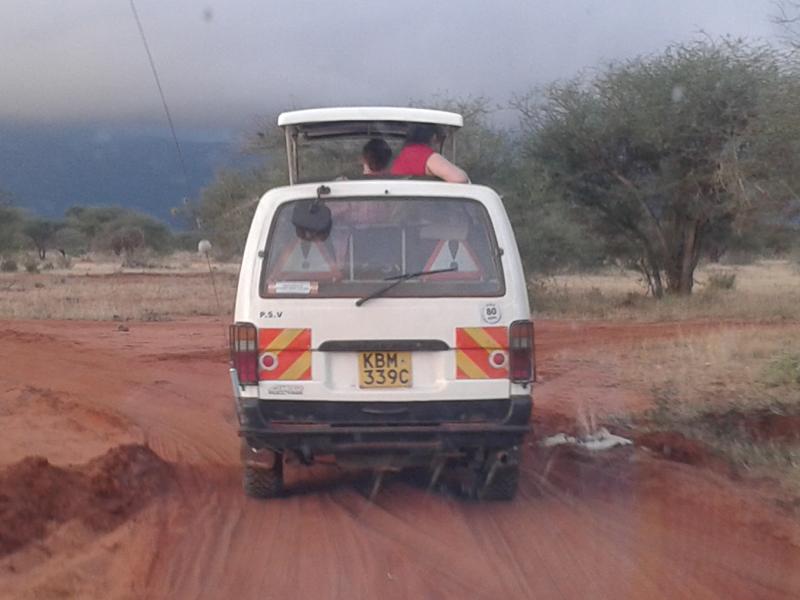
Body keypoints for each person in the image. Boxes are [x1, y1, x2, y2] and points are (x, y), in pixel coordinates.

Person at [390, 124, 469, 183]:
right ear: (434, 137)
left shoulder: (404, 154)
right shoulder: (424, 155)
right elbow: (459, 178)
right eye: (440, 140)